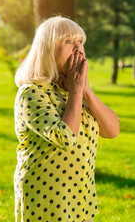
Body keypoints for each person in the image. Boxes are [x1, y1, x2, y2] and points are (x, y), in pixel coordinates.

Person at [13, 16, 120, 222]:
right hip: (45, 196)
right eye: (68, 41)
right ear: (48, 49)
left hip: (80, 196)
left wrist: (86, 91)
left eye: (80, 41)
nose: (78, 48)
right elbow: (65, 138)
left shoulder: (74, 90)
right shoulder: (31, 92)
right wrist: (77, 91)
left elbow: (112, 131)